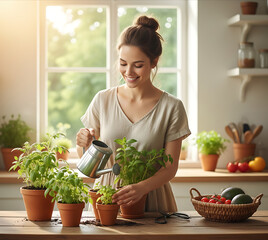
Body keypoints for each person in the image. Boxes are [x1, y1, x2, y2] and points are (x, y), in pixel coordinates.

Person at [76, 15, 191, 212]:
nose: (128, 72)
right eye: (123, 63)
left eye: (138, 65)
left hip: (152, 197)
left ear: (154, 62)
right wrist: (83, 144)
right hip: (107, 197)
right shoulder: (102, 100)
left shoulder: (172, 107)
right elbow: (88, 164)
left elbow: (170, 167)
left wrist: (141, 188)